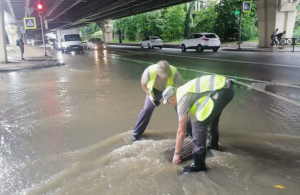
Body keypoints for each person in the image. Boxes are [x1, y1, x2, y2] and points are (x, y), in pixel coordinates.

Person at [162, 75, 235, 172]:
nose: (171, 104)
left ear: (171, 98)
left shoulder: (181, 99)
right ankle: (213, 145)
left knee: (197, 125)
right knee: (212, 117)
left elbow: (181, 131)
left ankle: (198, 164)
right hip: (228, 89)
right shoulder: (182, 90)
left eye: (169, 102)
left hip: (221, 91)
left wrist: (176, 153)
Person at [132, 60, 192, 141]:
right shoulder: (148, 72)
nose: (166, 78)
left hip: (171, 90)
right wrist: (150, 96)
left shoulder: (175, 73)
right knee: (147, 109)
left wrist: (177, 101)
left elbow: (181, 90)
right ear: (157, 72)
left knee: (181, 108)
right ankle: (137, 133)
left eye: (167, 75)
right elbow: (143, 83)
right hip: (155, 90)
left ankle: (189, 132)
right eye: (164, 76)